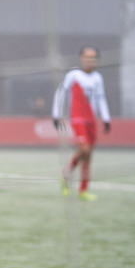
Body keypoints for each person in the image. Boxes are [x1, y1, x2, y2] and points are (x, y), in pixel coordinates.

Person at [53, 46, 111, 201]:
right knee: (84, 149)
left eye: (93, 58)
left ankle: (83, 190)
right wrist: (56, 114)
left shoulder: (98, 78)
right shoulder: (74, 75)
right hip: (78, 118)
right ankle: (66, 174)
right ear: (81, 59)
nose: (90, 61)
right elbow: (61, 92)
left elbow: (101, 98)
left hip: (92, 120)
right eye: (87, 57)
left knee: (88, 154)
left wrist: (106, 118)